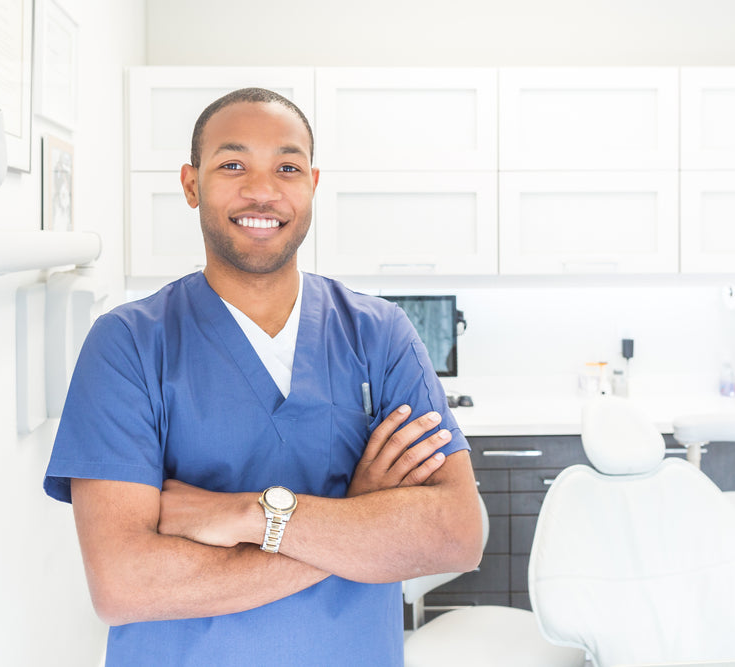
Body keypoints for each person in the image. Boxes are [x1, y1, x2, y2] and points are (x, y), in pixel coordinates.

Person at [44, 87, 483, 666]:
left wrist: (250, 514)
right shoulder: (129, 344)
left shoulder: (379, 333)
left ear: (312, 184)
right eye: (232, 165)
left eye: (287, 167)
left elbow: (455, 535)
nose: (263, 190)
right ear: (190, 183)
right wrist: (356, 516)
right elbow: (124, 585)